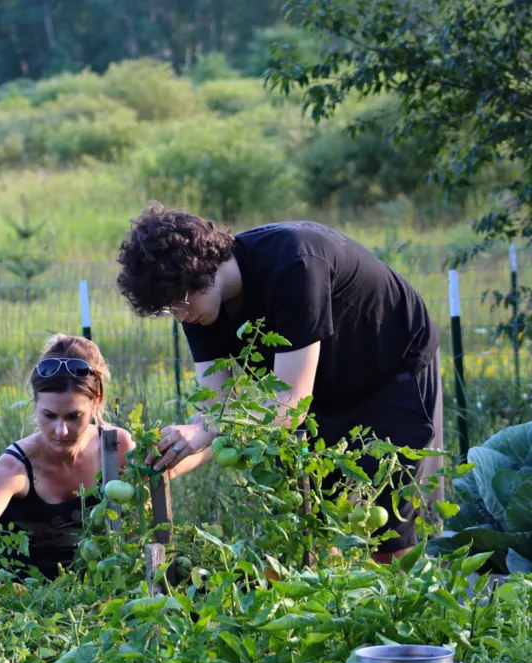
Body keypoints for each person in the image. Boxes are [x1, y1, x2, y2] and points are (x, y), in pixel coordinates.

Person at [114, 201, 444, 564]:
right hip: (319, 387)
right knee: (314, 516)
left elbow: (288, 407)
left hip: (392, 368)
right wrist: (172, 460)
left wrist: (206, 429)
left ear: (203, 268)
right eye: (168, 309)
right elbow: (215, 412)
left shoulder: (294, 264)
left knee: (392, 526)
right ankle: (334, 593)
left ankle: (412, 595)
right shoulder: (200, 310)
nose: (180, 316)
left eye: (180, 301)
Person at [0, 335, 135, 580]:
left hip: (100, 593)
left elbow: (137, 530)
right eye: (49, 416)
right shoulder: (15, 467)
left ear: (96, 401)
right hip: (20, 597)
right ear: (36, 404)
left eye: (73, 416)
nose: (61, 431)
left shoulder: (116, 447)